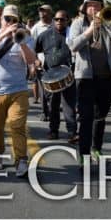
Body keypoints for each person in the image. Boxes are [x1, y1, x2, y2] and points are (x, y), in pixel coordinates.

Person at [0, 4, 36, 178]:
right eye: (7, 19)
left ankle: (21, 160)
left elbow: (31, 60)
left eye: (14, 20)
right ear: (1, 19)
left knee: (17, 126)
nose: (10, 22)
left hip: (18, 89)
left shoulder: (25, 37)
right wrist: (4, 34)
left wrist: (21, 42)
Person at [69, 0, 111, 164]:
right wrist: (90, 30)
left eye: (97, 5)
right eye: (91, 6)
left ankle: (97, 148)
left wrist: (107, 23)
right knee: (85, 117)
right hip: (85, 77)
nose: (94, 9)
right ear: (85, 8)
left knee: (100, 116)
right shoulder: (78, 23)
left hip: (106, 77)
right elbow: (73, 45)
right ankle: (83, 154)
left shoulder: (109, 21)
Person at [34, 10, 79, 143]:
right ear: (53, 20)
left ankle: (72, 132)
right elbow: (33, 49)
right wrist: (36, 61)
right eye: (57, 19)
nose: (59, 22)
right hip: (51, 75)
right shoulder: (45, 35)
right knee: (53, 105)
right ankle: (53, 131)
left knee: (69, 105)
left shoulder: (72, 34)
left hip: (68, 74)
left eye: (62, 19)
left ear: (67, 20)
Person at [31, 4, 54, 116]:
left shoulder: (55, 24)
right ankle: (45, 112)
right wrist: (34, 61)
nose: (42, 13)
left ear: (50, 13)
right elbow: (31, 46)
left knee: (53, 89)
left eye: (44, 11)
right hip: (41, 63)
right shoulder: (36, 28)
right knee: (43, 89)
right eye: (40, 11)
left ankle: (52, 111)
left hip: (55, 63)